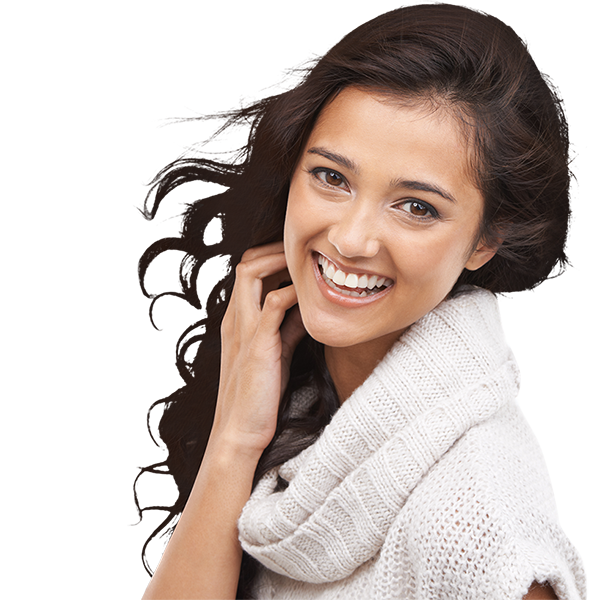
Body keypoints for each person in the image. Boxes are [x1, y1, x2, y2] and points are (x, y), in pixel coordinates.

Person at [141, 4, 586, 599]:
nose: (350, 239)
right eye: (332, 177)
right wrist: (234, 440)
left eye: (417, 206)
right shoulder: (295, 413)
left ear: (484, 241)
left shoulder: (478, 533)